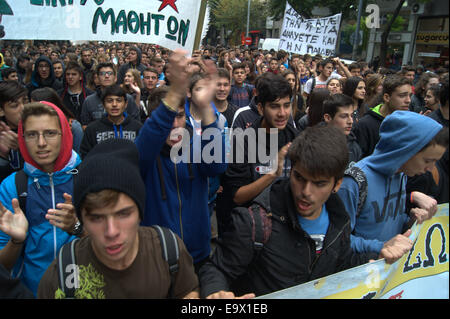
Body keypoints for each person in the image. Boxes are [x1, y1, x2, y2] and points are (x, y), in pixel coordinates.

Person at [199, 126, 387, 299]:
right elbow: (216, 269)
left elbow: (339, 264)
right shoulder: (255, 223)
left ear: (336, 184)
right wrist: (217, 293)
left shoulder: (340, 220)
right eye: (299, 177)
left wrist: (379, 257)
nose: (305, 191)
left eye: (319, 183)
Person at [37, 138, 199, 299]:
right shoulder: (62, 273)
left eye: (123, 214)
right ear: (82, 219)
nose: (111, 231)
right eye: (96, 218)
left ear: (140, 212)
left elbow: (188, 291)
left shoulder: (169, 250)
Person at [135, 49, 227, 271]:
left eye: (179, 116)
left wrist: (206, 107)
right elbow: (148, 138)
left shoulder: (197, 148)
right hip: (157, 258)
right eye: (168, 118)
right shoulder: (144, 155)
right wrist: (177, 89)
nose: (175, 125)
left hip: (198, 255)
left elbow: (217, 165)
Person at [0, 101, 82, 296]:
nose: (41, 143)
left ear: (65, 134)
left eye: (50, 133)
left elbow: (113, 244)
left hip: (86, 289)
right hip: (31, 291)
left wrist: (78, 227)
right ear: (22, 138)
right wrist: (16, 241)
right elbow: (3, 266)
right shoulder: (12, 186)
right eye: (31, 135)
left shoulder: (88, 178)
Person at [338, 111, 447, 257]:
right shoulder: (354, 182)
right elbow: (337, 241)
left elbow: (388, 222)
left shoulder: (401, 174)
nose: (430, 169)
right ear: (404, 151)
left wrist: (410, 222)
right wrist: (381, 246)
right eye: (427, 161)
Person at [217, 73, 298, 236]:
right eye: (275, 106)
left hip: (284, 229)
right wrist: (272, 174)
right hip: (249, 230)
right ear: (260, 108)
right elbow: (237, 197)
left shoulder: (296, 138)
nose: (282, 113)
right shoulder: (243, 142)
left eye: (286, 105)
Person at [353, 75, 412, 159]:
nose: (408, 100)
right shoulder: (365, 125)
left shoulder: (407, 122)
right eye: (402, 95)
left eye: (410, 95)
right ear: (387, 97)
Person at [80, 85, 142, 158]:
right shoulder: (92, 129)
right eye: (110, 101)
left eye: (119, 100)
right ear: (103, 104)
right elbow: (86, 156)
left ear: (126, 104)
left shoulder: (137, 128)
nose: (114, 104)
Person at [80, 62, 140, 128]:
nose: (106, 76)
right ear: (97, 78)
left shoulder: (127, 98)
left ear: (115, 78)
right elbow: (85, 125)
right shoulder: (89, 101)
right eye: (102, 74)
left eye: (110, 73)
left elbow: (136, 123)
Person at [0, 81, 27, 183]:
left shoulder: (37, 130)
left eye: (25, 101)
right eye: (15, 105)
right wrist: (2, 157)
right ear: (1, 111)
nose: (23, 108)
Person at [323, 94, 362, 164]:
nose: (350, 121)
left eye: (352, 115)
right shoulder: (315, 145)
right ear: (328, 118)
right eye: (344, 116)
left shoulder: (354, 146)